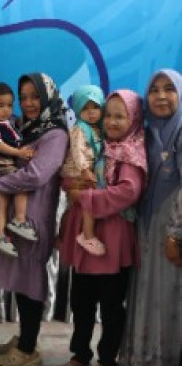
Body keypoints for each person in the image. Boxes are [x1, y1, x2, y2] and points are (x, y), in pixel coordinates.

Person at [0, 72, 69, 366]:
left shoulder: (55, 134)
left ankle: (28, 349)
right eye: (24, 97)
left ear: (48, 97)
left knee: (28, 281)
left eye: (35, 96)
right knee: (18, 279)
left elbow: (37, 175)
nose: (28, 103)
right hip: (13, 216)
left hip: (33, 218)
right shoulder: (20, 127)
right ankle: (23, 340)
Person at [55, 90, 146, 366]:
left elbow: (128, 192)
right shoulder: (95, 142)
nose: (112, 122)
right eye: (109, 115)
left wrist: (87, 196)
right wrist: (74, 185)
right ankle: (80, 355)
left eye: (121, 116)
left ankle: (107, 362)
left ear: (134, 119)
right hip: (87, 238)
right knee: (81, 302)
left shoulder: (131, 152)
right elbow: (71, 175)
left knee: (110, 307)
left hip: (113, 240)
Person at [120, 69, 182, 366]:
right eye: (154, 90)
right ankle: (144, 362)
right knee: (149, 292)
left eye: (169, 89)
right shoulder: (147, 133)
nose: (160, 96)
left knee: (170, 297)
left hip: (172, 225)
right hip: (147, 223)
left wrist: (175, 234)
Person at [0, 82, 36, 258]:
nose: (6, 110)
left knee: (2, 202)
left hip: (4, 163)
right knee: (21, 184)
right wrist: (19, 153)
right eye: (0, 105)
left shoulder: (9, 124)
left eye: (9, 105)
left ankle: (0, 235)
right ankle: (19, 220)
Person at [60, 85, 107, 256]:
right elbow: (77, 151)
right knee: (89, 198)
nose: (91, 112)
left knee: (82, 202)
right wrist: (85, 171)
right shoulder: (79, 129)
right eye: (85, 108)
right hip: (76, 172)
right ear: (78, 110)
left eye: (95, 107)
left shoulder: (97, 128)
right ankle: (87, 235)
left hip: (84, 172)